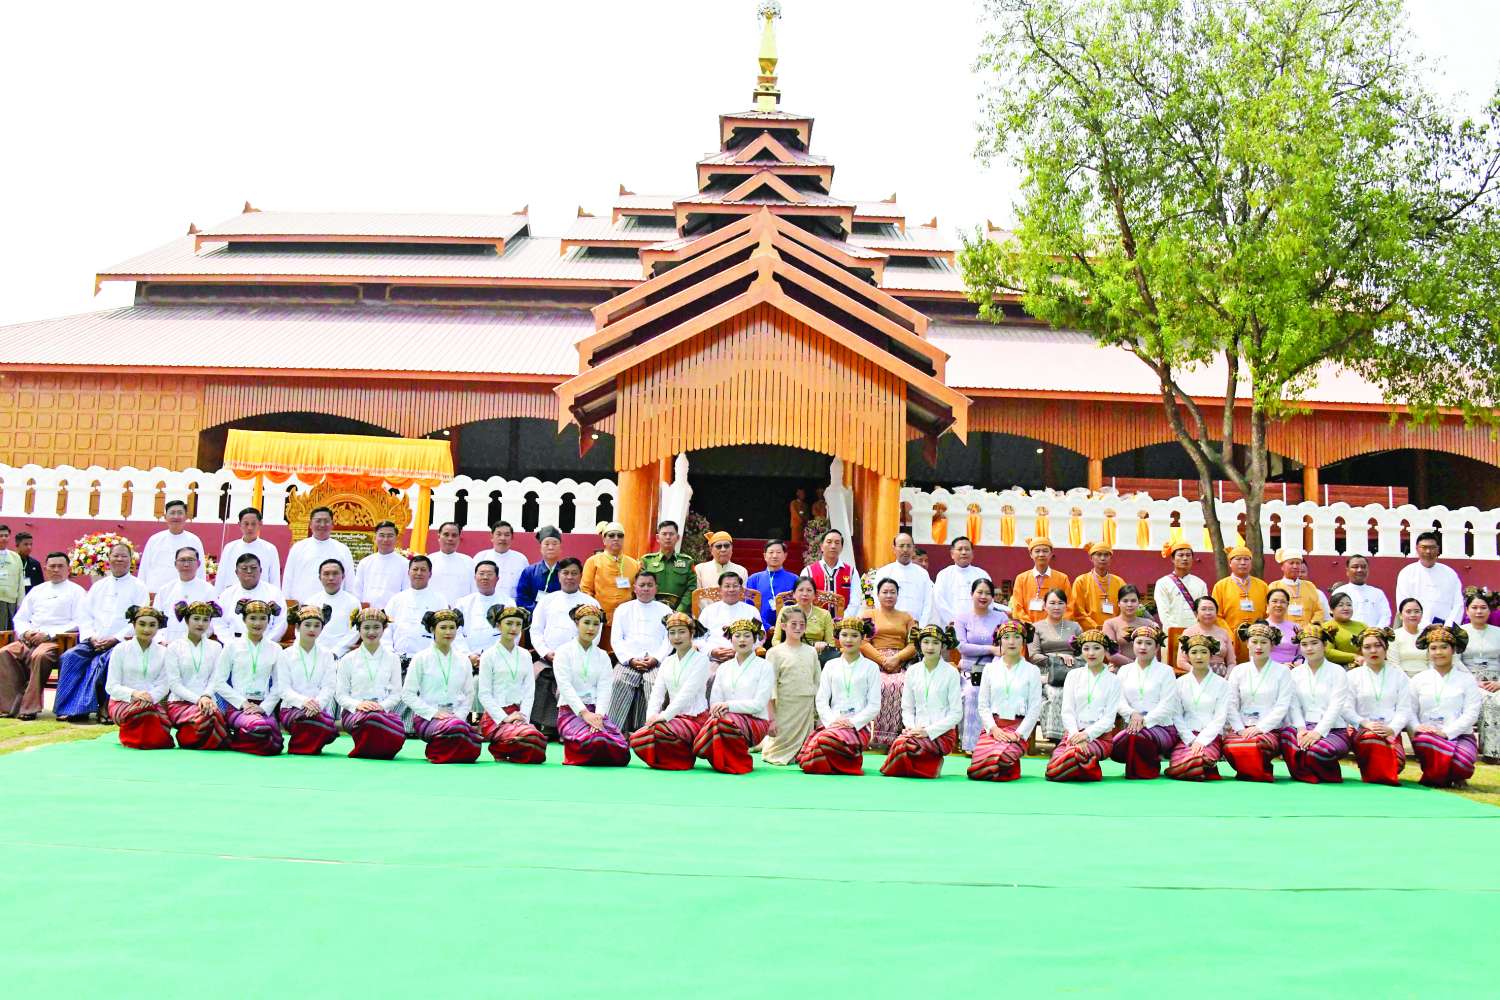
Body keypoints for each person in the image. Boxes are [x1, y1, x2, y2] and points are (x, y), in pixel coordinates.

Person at [54, 541, 149, 721]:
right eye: (116, 555)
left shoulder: (139, 587)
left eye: (124, 556)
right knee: (70, 657)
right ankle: (71, 709)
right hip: (94, 640)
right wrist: (92, 637)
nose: (119, 559)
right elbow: (85, 615)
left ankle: (105, 708)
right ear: (109, 559)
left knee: (108, 660)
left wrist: (115, 638)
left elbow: (139, 619)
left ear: (131, 560)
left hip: (122, 642)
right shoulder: (99, 586)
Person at [0, 551, 85, 719]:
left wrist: (48, 634)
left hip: (57, 640)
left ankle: (29, 708)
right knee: (4, 653)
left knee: (39, 656)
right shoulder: (37, 590)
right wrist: (27, 632)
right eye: (52, 566)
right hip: (31, 638)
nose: (56, 570)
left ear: (68, 569)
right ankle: (9, 707)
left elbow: (79, 621)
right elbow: (20, 618)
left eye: (60, 566)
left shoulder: (77, 592)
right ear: (45, 569)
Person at [797, 617, 881, 776]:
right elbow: (821, 700)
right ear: (838, 637)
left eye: (854, 635)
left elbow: (874, 705)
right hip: (832, 723)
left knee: (823, 742)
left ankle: (844, 762)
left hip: (858, 726)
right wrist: (832, 722)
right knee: (809, 760)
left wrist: (852, 723)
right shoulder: (830, 665)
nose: (849, 640)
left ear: (863, 638)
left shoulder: (871, 667)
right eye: (844, 635)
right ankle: (844, 762)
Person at [630, 613, 711, 770]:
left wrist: (663, 717)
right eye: (672, 632)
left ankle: (685, 758)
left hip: (695, 718)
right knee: (637, 738)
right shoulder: (667, 661)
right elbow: (657, 693)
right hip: (673, 718)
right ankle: (673, 758)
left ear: (691, 633)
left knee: (659, 730)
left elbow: (686, 694)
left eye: (682, 631)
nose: (676, 637)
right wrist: (651, 717)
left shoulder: (701, 660)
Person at [880, 625, 963, 778]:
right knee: (903, 744)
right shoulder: (912, 671)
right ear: (919, 644)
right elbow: (907, 708)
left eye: (935, 643)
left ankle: (929, 764)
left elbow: (956, 714)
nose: (930, 647)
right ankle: (928, 766)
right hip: (916, 730)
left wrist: (928, 731)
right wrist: (911, 728)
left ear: (943, 646)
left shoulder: (951, 672)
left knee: (905, 745)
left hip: (942, 732)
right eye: (926, 642)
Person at [693, 618, 774, 773]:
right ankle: (723, 761)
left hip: (756, 720)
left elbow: (759, 704)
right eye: (737, 636)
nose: (742, 640)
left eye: (747, 635)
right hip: (725, 718)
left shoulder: (765, 666)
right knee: (721, 721)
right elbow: (715, 700)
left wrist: (728, 706)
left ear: (754, 639)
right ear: (731, 639)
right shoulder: (724, 667)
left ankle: (734, 760)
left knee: (723, 722)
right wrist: (718, 709)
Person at [967, 620, 1043, 782]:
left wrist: (1019, 734)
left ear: (1024, 641)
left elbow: (1035, 708)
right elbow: (983, 705)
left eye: (1017, 637)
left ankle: (1007, 761)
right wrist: (993, 729)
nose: (1011, 642)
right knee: (976, 769)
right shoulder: (990, 669)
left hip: (1017, 728)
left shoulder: (1032, 671)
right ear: (999, 641)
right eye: (1006, 637)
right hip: (994, 727)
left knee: (1001, 758)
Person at [403, 609, 482, 764]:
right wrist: (433, 713)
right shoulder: (420, 658)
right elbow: (407, 694)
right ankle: (443, 749)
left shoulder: (463, 660)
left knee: (462, 732)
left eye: (452, 627)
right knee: (461, 733)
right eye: (443, 627)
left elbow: (469, 694)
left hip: (456, 718)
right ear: (432, 629)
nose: (448, 632)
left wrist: (459, 716)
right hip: (427, 718)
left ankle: (446, 748)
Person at [554, 603, 629, 766]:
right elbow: (565, 687)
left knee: (621, 748)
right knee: (594, 740)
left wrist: (599, 716)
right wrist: (585, 714)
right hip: (571, 711)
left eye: (596, 624)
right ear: (577, 623)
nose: (591, 628)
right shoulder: (563, 652)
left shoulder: (602, 655)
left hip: (597, 713)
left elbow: (604, 688)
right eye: (586, 622)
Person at [1044, 630, 1123, 781]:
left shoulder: (1114, 680)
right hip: (1073, 735)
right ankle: (1086, 768)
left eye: (1096, 648)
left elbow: (1109, 719)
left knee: (1071, 757)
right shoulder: (1073, 675)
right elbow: (1067, 711)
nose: (1091, 653)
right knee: (1052, 768)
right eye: (1086, 648)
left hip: (1099, 738)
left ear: (1106, 650)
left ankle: (1084, 767)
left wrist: (1086, 735)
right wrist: (1076, 735)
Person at [1280, 623, 1354, 783]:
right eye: (1304, 644)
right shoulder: (1295, 673)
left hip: (1333, 729)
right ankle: (1304, 774)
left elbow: (1336, 706)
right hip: (1304, 727)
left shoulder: (1338, 672)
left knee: (1317, 750)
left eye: (1314, 643)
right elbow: (1293, 705)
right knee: (1286, 736)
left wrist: (1318, 732)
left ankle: (1326, 773)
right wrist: (1301, 729)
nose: (1309, 648)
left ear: (1325, 644)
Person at [1409, 623, 1481, 787]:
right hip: (1428, 736)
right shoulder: (1419, 679)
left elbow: (1471, 713)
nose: (1438, 652)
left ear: (1453, 650)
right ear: (1428, 652)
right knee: (1425, 741)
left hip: (1460, 735)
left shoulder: (1466, 679)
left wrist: (1447, 733)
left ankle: (1440, 774)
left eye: (1444, 647)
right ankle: (1446, 775)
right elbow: (1409, 710)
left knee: (1463, 764)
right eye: (1433, 648)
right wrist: (1417, 727)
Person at [1222, 621, 1294, 781]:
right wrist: (1240, 729)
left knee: (1257, 743)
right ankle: (1254, 771)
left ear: (1272, 645)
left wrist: (1260, 728)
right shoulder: (1238, 671)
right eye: (1254, 642)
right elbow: (1231, 704)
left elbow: (1282, 706)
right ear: (1247, 643)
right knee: (1230, 745)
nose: (1259, 647)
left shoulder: (1283, 671)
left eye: (1264, 642)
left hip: (1270, 729)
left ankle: (1257, 771)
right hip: (1243, 727)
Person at [213, 598, 285, 755]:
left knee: (276, 743)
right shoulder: (232, 646)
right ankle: (241, 736)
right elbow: (218, 682)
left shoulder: (276, 649)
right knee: (260, 727)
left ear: (269, 621)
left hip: (263, 706)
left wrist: (264, 707)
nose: (257, 623)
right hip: (237, 706)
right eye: (252, 618)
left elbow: (280, 684)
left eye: (263, 618)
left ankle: (238, 740)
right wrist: (243, 703)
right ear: (244, 619)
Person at [477, 606, 547, 764]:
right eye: (509, 623)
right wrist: (505, 717)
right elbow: (484, 694)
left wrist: (524, 717)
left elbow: (529, 691)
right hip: (496, 717)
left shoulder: (525, 655)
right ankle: (500, 746)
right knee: (528, 736)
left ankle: (507, 747)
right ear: (498, 625)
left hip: (519, 715)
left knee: (536, 738)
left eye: (518, 624)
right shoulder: (488, 655)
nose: (514, 628)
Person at [605, 571, 673, 734]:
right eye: (642, 585)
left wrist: (656, 658)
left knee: (656, 684)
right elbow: (616, 639)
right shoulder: (623, 609)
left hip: (655, 663)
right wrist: (630, 659)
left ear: (656, 588)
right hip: (628, 662)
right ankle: (614, 732)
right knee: (618, 681)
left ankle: (652, 732)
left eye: (650, 585)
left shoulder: (666, 610)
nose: (646, 588)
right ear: (634, 588)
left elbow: (669, 639)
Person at [335, 609, 407, 760]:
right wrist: (358, 705)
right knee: (371, 719)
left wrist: (381, 706)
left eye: (376, 627)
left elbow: (396, 694)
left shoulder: (393, 658)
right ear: (359, 629)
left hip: (383, 712)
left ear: (384, 629)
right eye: (366, 627)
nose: (371, 632)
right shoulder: (348, 659)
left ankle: (374, 749)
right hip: (354, 713)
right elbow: (341, 695)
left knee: (376, 718)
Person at [102, 605, 174, 749]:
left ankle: (149, 739)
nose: (146, 629)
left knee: (149, 712)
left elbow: (164, 685)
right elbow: (111, 686)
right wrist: (134, 694)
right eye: (142, 624)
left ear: (158, 627)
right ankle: (132, 739)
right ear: (134, 625)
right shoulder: (120, 649)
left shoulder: (164, 652)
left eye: (152, 625)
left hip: (152, 702)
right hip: (122, 701)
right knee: (143, 711)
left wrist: (150, 697)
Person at [1345, 627, 1411, 785]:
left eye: (1378, 645)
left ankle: (1377, 772)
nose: (1373, 651)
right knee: (1371, 739)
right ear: (1361, 650)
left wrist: (1392, 729)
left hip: (1389, 729)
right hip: (1362, 729)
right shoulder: (1352, 676)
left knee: (1398, 761)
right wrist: (1365, 723)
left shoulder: (1399, 675)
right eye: (1367, 647)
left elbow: (1405, 708)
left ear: (1386, 647)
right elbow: (1345, 708)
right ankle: (1379, 775)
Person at [1111, 625, 1179, 778]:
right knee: (1114, 747)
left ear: (1156, 648)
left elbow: (1168, 705)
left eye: (1148, 643)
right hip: (1132, 725)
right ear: (1133, 645)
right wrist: (1132, 714)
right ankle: (1140, 767)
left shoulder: (1166, 671)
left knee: (1137, 735)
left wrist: (1144, 720)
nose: (1143, 647)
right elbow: (1118, 700)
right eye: (1139, 642)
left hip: (1162, 727)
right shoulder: (1124, 670)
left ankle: (1146, 770)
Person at [953, 577, 1011, 752]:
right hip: (970, 671)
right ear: (972, 594)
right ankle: (971, 744)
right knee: (972, 692)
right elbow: (962, 646)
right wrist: (990, 649)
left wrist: (993, 667)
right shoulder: (962, 618)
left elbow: (1004, 648)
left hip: (995, 670)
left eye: (987, 593)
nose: (983, 596)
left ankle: (996, 742)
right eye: (979, 592)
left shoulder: (1001, 617)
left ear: (993, 597)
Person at [163, 600, 228, 750]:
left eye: (205, 620)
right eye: (196, 619)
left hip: (208, 701)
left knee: (210, 715)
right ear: (187, 620)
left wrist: (206, 696)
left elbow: (216, 678)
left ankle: (193, 739)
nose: (201, 624)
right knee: (208, 716)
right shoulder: (174, 647)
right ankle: (192, 739)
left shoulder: (216, 647)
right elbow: (174, 684)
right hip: (179, 702)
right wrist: (198, 699)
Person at [274, 605, 339, 755]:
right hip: (291, 708)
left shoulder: (327, 655)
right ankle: (306, 744)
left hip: (318, 708)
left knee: (317, 721)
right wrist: (304, 702)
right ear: (297, 626)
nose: (312, 629)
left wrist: (317, 704)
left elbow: (329, 686)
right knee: (324, 725)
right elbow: (283, 689)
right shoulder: (285, 655)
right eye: (307, 625)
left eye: (317, 625)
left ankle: (302, 746)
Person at [1164, 634, 1231, 781]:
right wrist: (1190, 739)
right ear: (1187, 655)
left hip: (1210, 737)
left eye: (1204, 652)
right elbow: (1176, 715)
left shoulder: (1222, 684)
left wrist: (1202, 741)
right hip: (1186, 735)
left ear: (1211, 655)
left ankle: (1197, 766)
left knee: (1199, 757)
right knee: (1189, 759)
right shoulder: (1179, 683)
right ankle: (1198, 768)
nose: (1199, 656)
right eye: (1194, 652)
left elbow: (1220, 718)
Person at [761, 606, 821, 766]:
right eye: (793, 624)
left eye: (802, 624)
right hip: (784, 706)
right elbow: (769, 687)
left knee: (807, 751)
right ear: (783, 626)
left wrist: (818, 715)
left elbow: (817, 681)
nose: (798, 627)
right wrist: (771, 719)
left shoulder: (811, 652)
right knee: (776, 751)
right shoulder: (774, 653)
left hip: (806, 707)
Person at [861, 577, 917, 749]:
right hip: (874, 660)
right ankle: (875, 736)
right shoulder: (868, 615)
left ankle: (896, 736)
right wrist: (882, 660)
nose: (889, 595)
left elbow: (914, 644)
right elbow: (863, 642)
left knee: (901, 684)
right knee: (880, 684)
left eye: (893, 592)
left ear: (898, 595)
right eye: (885, 592)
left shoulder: (906, 617)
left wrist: (897, 658)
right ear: (877, 595)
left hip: (900, 661)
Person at [1029, 588, 1082, 742]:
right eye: (1052, 603)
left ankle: (1077, 736)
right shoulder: (1036, 627)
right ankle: (1056, 737)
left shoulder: (1075, 627)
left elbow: (1083, 652)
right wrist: (1057, 657)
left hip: (1072, 671)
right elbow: (1034, 655)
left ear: (1066, 606)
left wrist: (1073, 661)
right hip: (1047, 672)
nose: (1056, 607)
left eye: (1060, 603)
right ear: (1044, 606)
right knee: (1056, 693)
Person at [382, 556, 455, 660]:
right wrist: (389, 653)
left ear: (430, 574)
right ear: (408, 573)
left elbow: (444, 630)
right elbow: (386, 629)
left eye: (423, 570)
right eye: (415, 569)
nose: (419, 573)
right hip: (397, 658)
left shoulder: (439, 600)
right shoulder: (396, 599)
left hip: (429, 659)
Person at [282, 506, 354, 605]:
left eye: (326, 521)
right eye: (318, 521)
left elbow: (350, 581)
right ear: (310, 524)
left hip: (334, 605)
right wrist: (287, 602)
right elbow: (288, 577)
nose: (322, 524)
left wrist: (349, 603)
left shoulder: (342, 549)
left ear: (332, 525)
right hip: (302, 605)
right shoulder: (298, 547)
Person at [213, 553, 288, 646]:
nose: (249, 571)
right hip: (233, 645)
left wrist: (264, 643)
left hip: (266, 645)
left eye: (253, 568)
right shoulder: (227, 594)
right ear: (236, 572)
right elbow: (219, 623)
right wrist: (232, 645)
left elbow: (280, 624)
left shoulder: (274, 592)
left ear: (261, 570)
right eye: (244, 568)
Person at [1461, 589, 1500, 762]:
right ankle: (1492, 753)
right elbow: (1455, 661)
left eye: (1483, 608)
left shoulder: (1498, 633)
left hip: (1496, 682)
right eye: (1474, 607)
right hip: (1469, 682)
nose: (1479, 611)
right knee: (1490, 700)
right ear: (1467, 610)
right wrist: (1473, 682)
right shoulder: (1459, 633)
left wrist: (1499, 683)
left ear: (1489, 610)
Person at [1394, 531, 1465, 626]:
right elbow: (1403, 604)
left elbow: (1458, 604)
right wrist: (1426, 626)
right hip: (1415, 628)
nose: (1428, 551)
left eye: (1432, 548)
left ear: (1438, 549)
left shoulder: (1450, 573)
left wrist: (1449, 626)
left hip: (1445, 629)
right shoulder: (1407, 573)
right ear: (1417, 549)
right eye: (1424, 547)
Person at [151, 547, 217, 645]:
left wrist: (195, 640)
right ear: (175, 564)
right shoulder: (165, 590)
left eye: (190, 560)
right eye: (182, 560)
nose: (186, 564)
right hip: (166, 645)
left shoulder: (209, 590)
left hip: (196, 644)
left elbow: (215, 621)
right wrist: (160, 641)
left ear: (198, 564)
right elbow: (154, 618)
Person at [694, 572, 761, 669]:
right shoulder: (708, 611)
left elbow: (760, 636)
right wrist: (711, 651)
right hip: (713, 659)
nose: (731, 589)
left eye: (735, 586)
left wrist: (741, 650)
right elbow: (698, 638)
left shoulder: (752, 610)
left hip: (744, 658)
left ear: (741, 589)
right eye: (727, 586)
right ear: (720, 589)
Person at [138, 499, 206, 593]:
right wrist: (141, 590)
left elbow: (200, 569)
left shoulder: (194, 540)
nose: (176, 516)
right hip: (156, 591)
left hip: (184, 592)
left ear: (186, 516)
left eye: (180, 513)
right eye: (172, 513)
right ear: (165, 517)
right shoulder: (154, 540)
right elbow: (144, 568)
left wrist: (200, 590)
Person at [580, 521, 639, 630]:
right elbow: (586, 591)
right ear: (604, 540)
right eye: (611, 535)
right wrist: (595, 614)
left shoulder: (634, 564)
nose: (616, 538)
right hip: (599, 620)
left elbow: (636, 593)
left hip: (627, 620)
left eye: (620, 536)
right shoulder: (593, 562)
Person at [531, 558, 592, 661]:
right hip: (548, 659)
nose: (569, 577)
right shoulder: (546, 600)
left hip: (580, 659)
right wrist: (545, 652)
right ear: (559, 575)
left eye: (574, 573)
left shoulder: (591, 603)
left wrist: (581, 653)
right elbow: (536, 630)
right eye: (565, 573)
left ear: (581, 576)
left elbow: (595, 634)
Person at [926, 536, 991, 630]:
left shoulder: (982, 574)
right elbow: (939, 601)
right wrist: (955, 621)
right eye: (960, 549)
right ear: (952, 554)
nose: (964, 552)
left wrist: (978, 620)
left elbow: (989, 600)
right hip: (950, 627)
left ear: (972, 553)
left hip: (977, 626)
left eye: (967, 549)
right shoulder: (944, 575)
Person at [1211, 545, 1268, 643]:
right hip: (1230, 639)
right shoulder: (1220, 586)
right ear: (1230, 563)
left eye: (1246, 559)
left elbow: (1268, 613)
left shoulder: (1262, 586)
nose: (1243, 562)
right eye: (1238, 559)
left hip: (1258, 639)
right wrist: (1229, 635)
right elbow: (1216, 615)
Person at [1009, 537, 1072, 623]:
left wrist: (1055, 626)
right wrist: (1031, 626)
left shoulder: (1062, 579)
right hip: (1028, 628)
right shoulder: (1021, 579)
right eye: (1037, 551)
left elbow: (1069, 607)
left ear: (1051, 554)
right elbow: (1017, 608)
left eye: (1045, 551)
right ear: (1031, 554)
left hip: (1055, 628)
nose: (1041, 554)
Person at [872, 532, 932, 622]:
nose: (905, 550)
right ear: (894, 549)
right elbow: (878, 600)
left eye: (908, 546)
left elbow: (928, 603)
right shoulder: (884, 572)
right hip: (890, 623)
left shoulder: (923, 574)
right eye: (901, 546)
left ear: (913, 549)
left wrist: (922, 625)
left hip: (917, 624)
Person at [771, 576, 836, 658]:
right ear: (794, 594)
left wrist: (824, 645)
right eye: (801, 590)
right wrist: (787, 650)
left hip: (815, 655)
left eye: (809, 590)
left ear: (815, 595)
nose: (805, 594)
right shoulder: (786, 611)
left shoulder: (824, 614)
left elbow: (831, 643)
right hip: (789, 654)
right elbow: (775, 640)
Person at [639, 520, 695, 613]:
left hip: (679, 613)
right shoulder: (647, 561)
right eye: (664, 534)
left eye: (671, 534)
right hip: (651, 610)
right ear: (657, 538)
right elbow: (642, 585)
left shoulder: (687, 562)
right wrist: (655, 609)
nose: (668, 537)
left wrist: (680, 610)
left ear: (677, 538)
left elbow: (691, 588)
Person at [218, 507, 281, 589]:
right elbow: (221, 577)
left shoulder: (270, 549)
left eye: (253, 524)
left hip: (261, 595)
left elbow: (275, 579)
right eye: (246, 524)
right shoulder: (230, 548)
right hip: (234, 594)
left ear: (260, 524)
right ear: (239, 524)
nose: (250, 528)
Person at [310, 559, 361, 656]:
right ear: (320, 577)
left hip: (342, 655)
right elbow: (301, 630)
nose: (331, 578)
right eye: (326, 574)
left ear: (343, 576)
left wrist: (336, 652)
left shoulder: (353, 602)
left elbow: (355, 631)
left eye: (335, 573)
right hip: (314, 653)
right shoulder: (311, 602)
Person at [1153, 540, 1209, 630]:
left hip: (1196, 634)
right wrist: (1174, 631)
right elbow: (1163, 613)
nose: (1185, 558)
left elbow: (1204, 610)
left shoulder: (1200, 584)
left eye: (1188, 555)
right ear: (1172, 559)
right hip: (1172, 633)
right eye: (1181, 555)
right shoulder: (1163, 583)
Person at [352, 522, 407, 611]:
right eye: (382, 535)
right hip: (367, 614)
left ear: (396, 539)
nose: (385, 539)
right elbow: (357, 591)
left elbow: (406, 592)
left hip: (393, 614)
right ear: (375, 538)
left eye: (390, 536)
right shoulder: (365, 562)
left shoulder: (405, 564)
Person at [1069, 542, 1125, 631]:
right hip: (1089, 633)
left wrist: (1114, 627)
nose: (1102, 558)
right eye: (1099, 554)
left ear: (1110, 558)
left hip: (1114, 631)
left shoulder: (1119, 582)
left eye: (1106, 555)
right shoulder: (1081, 581)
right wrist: (1096, 627)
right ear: (1091, 558)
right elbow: (1078, 611)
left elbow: (1124, 608)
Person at [455, 561, 506, 657]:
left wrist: (494, 656)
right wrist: (467, 655)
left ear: (497, 579)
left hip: (498, 657)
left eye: (489, 574)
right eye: (481, 574)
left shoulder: (507, 603)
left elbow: (513, 632)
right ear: (475, 577)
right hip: (467, 658)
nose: (485, 577)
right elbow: (455, 631)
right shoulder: (462, 603)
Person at [1173, 596, 1233, 677]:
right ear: (1196, 613)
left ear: (1216, 612)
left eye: (1211, 609)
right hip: (1196, 676)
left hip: (1222, 677)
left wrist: (1228, 677)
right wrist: (1199, 672)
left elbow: (1231, 662)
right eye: (1203, 609)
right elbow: (1181, 661)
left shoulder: (1224, 633)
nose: (1208, 612)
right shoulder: (1188, 632)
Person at [747, 539, 799, 631]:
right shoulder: (754, 579)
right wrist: (766, 627)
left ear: (785, 556)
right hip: (759, 630)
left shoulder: (795, 579)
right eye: (771, 552)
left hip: (787, 630)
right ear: (765, 556)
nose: (775, 556)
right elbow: (748, 607)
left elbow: (798, 606)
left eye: (778, 552)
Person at [805, 528, 861, 612]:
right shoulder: (808, 571)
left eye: (837, 543)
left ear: (841, 548)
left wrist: (842, 618)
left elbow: (855, 601)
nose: (833, 546)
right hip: (816, 619)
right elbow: (804, 599)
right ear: (821, 546)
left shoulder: (851, 572)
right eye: (829, 542)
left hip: (845, 619)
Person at [1271, 549, 1330, 627]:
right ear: (1282, 566)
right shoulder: (1274, 586)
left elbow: (1318, 610)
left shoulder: (1310, 586)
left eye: (1298, 563)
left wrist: (1311, 628)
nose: (1295, 566)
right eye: (1291, 563)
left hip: (1307, 632)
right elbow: (1269, 611)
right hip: (1282, 630)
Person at [477, 521, 531, 604]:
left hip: (512, 605)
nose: (503, 538)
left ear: (512, 538)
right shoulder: (481, 557)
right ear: (492, 537)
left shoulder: (521, 559)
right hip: (485, 603)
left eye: (507, 535)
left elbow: (526, 586)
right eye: (498, 534)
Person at [1331, 553, 1391, 628]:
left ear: (1368, 570)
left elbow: (1385, 616)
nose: (1360, 570)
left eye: (1363, 567)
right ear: (1347, 571)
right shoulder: (1339, 592)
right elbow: (1333, 616)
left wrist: (1375, 631)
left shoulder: (1378, 593)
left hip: (1374, 634)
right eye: (1355, 567)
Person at [515, 526, 564, 613]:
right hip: (533, 616)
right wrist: (538, 611)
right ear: (541, 548)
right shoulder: (529, 572)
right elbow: (522, 598)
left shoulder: (565, 572)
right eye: (547, 544)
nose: (551, 547)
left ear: (560, 548)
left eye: (554, 544)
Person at [1101, 585, 1153, 666]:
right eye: (1125, 601)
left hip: (1146, 667)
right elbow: (1111, 654)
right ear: (1118, 603)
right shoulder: (1110, 624)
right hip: (1119, 668)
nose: (1129, 604)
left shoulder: (1149, 624)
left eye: (1133, 601)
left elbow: (1154, 651)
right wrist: (1135, 666)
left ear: (1139, 602)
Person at [426, 522, 474, 602]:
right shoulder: (429, 561)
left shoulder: (468, 562)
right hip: (433, 607)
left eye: (454, 535)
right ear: (439, 536)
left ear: (459, 538)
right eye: (446, 534)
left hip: (461, 608)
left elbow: (474, 590)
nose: (450, 539)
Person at [1319, 591, 1368, 666]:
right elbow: (1328, 652)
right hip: (1339, 668)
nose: (1346, 608)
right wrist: (1355, 657)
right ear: (1331, 609)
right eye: (1340, 605)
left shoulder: (1362, 626)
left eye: (1349, 605)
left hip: (1365, 664)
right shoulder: (1326, 627)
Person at [1262, 587, 1303, 664]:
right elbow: (1255, 655)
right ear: (1267, 605)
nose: (1278, 605)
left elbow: (1302, 654)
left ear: (1287, 605)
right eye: (1274, 601)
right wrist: (1281, 667)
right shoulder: (1260, 627)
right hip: (1268, 668)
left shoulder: (1296, 628)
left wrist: (1294, 665)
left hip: (1293, 668)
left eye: (1283, 602)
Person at [1390, 597, 1428, 677]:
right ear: (1400, 615)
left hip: (1427, 678)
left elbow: (1432, 661)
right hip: (1402, 679)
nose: (1413, 615)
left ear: (1421, 615)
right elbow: (1394, 665)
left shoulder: (1427, 634)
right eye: (1408, 612)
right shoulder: (1394, 636)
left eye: (1417, 611)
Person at [0, 523, 23, 630]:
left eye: (6, 535)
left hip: (11, 601)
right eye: (1, 536)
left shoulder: (15, 557)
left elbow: (20, 581)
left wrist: (21, 602)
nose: (4, 538)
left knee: (8, 632)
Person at [16, 532, 43, 597]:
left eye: (31, 544)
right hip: (13, 598)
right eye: (26, 544)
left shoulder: (35, 564)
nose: (29, 547)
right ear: (17, 545)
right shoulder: (11, 562)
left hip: (31, 598)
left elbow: (40, 585)